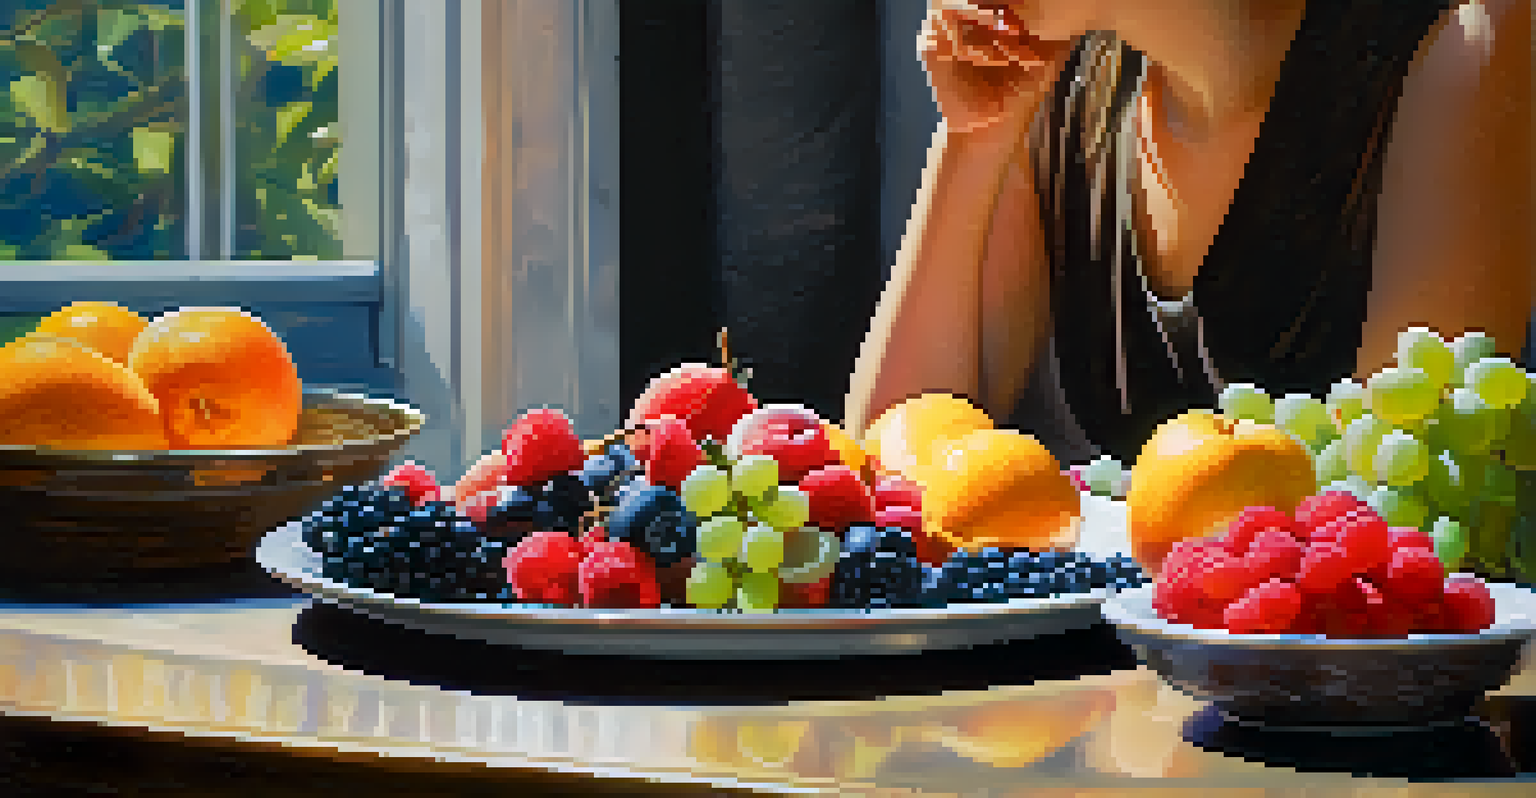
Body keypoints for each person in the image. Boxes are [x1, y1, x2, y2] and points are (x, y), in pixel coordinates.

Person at [845, 0, 1533, 464]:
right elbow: (891, 468)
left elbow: (1384, 511)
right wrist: (974, 142)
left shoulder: (1458, 43)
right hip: (1160, 664)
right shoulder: (1053, 78)